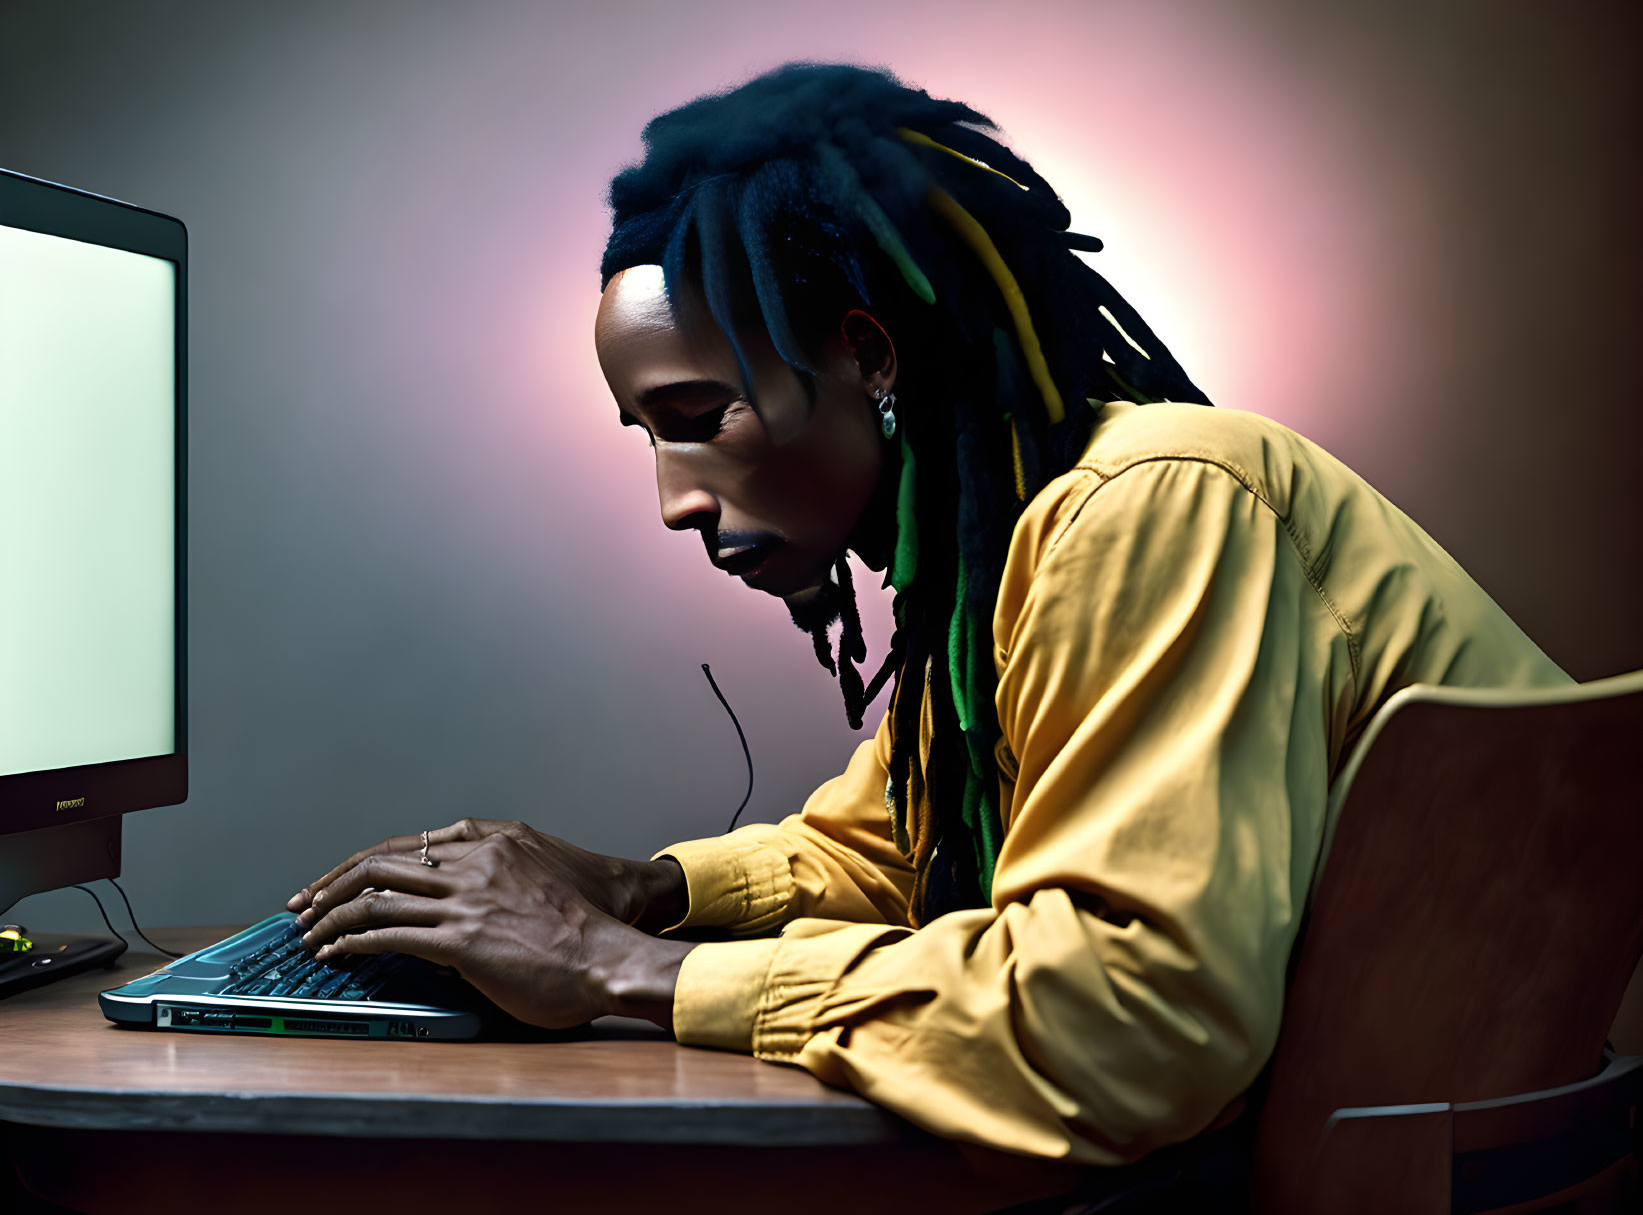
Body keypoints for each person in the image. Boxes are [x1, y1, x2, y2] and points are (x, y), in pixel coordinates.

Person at [285, 62, 1571, 1184]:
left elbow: (1131, 1023)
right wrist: (640, 889)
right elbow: (903, 848)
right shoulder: (1009, 547)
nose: (675, 503)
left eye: (696, 418)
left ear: (869, 356)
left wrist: (620, 967)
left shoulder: (1153, 503)